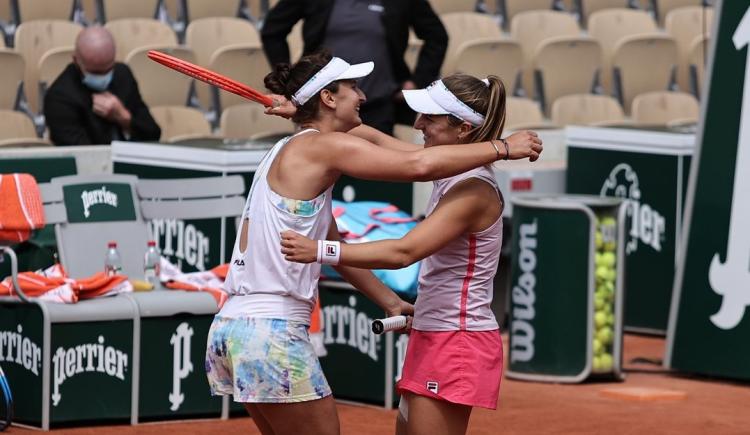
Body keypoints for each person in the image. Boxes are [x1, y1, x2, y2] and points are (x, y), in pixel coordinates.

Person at [205, 50, 542, 435]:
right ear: (328, 98)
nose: (364, 96)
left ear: (462, 129)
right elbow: (417, 166)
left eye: (428, 117)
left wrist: (385, 297)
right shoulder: (322, 148)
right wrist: (504, 146)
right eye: (353, 87)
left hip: (234, 329)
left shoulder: (294, 149)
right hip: (272, 333)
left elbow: (394, 157)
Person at [280, 73, 516, 435]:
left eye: (430, 118)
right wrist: (305, 113)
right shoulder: (447, 166)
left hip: (457, 341)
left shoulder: (473, 190)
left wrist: (321, 250)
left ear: (464, 129)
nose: (417, 124)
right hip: (435, 333)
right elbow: (369, 136)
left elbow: (405, 251)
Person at [260, 0, 448, 135]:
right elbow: (272, 31)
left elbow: (437, 36)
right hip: (320, 107)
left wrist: (416, 81)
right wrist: (293, 79)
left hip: (379, 105)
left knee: (375, 174)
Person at [44, 26, 161, 145]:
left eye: (109, 69)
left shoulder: (122, 74)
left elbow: (153, 134)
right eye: (96, 72)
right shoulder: (59, 97)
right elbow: (83, 154)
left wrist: (124, 117)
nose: (104, 77)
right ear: (76, 61)